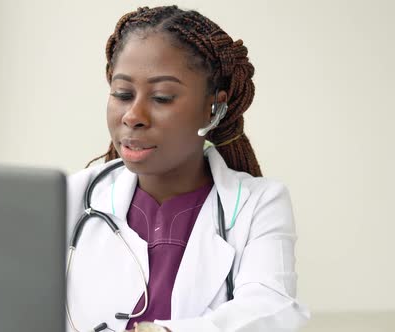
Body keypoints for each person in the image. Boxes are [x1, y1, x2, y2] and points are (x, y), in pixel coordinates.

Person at [66, 5, 309, 332]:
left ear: (214, 107)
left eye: (163, 97)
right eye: (122, 93)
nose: (133, 115)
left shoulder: (259, 203)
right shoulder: (70, 197)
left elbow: (270, 309)